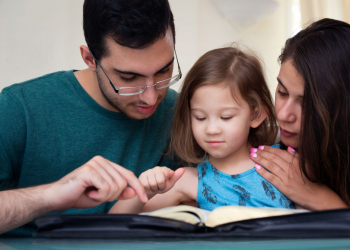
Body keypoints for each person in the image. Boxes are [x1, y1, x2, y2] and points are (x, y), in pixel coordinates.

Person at [0, 0, 180, 236]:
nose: (150, 97)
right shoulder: (18, 108)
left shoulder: (179, 112)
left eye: (163, 71)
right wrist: (53, 194)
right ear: (89, 59)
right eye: (128, 78)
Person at [109, 46, 295, 214]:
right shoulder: (188, 180)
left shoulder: (285, 163)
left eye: (226, 117)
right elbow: (113, 221)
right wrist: (146, 189)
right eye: (200, 117)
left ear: (256, 115)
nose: (211, 129)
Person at [250, 18, 350, 210]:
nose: (283, 115)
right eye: (282, 92)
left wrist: (320, 199)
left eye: (306, 104)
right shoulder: (264, 143)